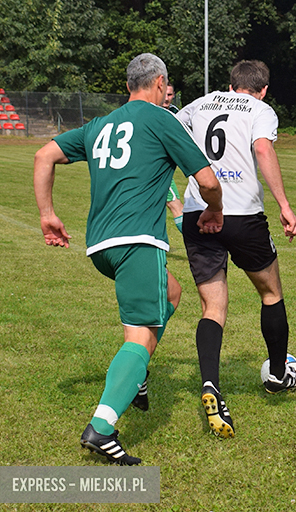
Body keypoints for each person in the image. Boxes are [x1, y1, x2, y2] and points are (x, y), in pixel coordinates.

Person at [33, 53, 223, 465]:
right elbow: (207, 180)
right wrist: (215, 208)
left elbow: (43, 156)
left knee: (170, 294)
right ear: (159, 83)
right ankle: (101, 428)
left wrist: (48, 215)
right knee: (140, 335)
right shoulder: (161, 119)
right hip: (138, 242)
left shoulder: (100, 125)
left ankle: (134, 379)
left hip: (101, 246)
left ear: (128, 86)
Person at [177, 60, 296, 439]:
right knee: (270, 292)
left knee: (212, 307)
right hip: (242, 216)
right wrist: (283, 203)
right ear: (262, 90)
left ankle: (211, 385)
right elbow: (262, 149)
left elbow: (169, 133)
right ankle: (279, 374)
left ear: (230, 85)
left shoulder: (199, 104)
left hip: (198, 212)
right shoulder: (261, 110)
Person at [162, 83, 185, 232]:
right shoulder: (149, 111)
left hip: (166, 167)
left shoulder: (176, 113)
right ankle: (197, 245)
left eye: (170, 95)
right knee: (176, 206)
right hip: (156, 169)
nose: (166, 98)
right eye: (164, 94)